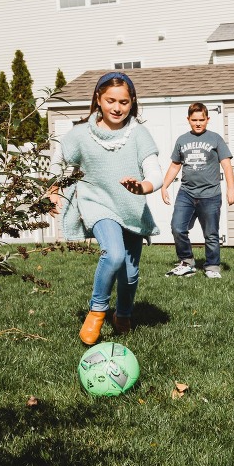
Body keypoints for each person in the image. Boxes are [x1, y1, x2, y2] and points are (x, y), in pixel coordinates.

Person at [49, 72, 163, 345]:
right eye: (110, 100)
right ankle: (97, 312)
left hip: (131, 208)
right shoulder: (81, 134)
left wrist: (143, 187)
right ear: (98, 99)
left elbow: (155, 173)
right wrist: (53, 190)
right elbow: (58, 162)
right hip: (96, 204)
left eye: (123, 102)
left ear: (132, 102)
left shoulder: (138, 134)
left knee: (130, 274)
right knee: (113, 256)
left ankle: (122, 314)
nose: (117, 107)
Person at [161, 102, 234, 278]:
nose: (198, 123)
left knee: (211, 233)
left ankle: (212, 266)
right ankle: (186, 262)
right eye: (194, 120)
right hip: (186, 193)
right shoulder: (182, 140)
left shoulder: (215, 138)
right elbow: (175, 165)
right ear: (188, 120)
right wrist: (164, 186)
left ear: (207, 119)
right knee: (177, 227)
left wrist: (231, 189)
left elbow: (226, 164)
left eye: (201, 119)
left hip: (210, 194)